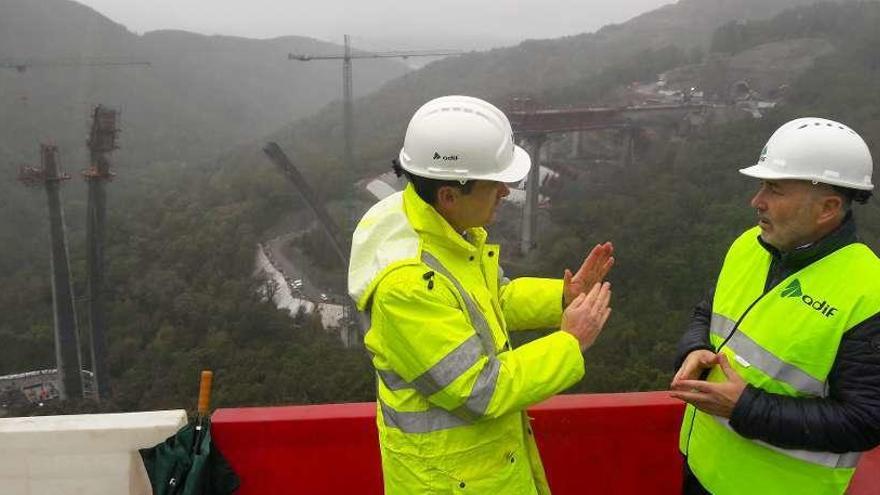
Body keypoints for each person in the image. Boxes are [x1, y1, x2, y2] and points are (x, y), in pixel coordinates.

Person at [347, 95, 614, 494]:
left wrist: (563, 295)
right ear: (449, 196)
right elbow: (479, 388)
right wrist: (568, 342)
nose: (505, 192)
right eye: (494, 185)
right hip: (449, 481)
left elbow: (493, 299)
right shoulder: (407, 284)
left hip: (478, 467)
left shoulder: (437, 229)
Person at [670, 117, 880, 495]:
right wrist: (695, 348)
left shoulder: (869, 292)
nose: (757, 201)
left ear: (828, 207)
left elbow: (866, 420)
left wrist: (746, 408)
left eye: (775, 189)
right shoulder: (749, 245)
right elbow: (708, 313)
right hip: (701, 469)